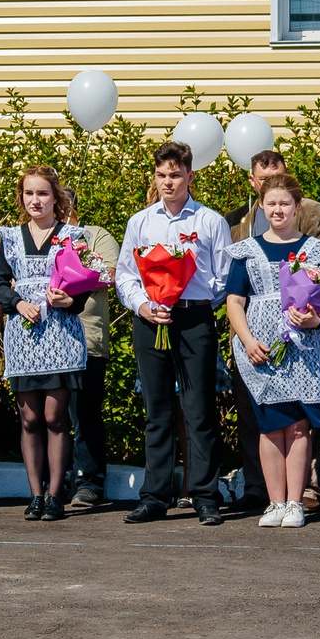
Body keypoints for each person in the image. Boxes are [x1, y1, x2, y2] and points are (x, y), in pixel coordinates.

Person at [116, 140, 233, 525]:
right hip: (150, 320)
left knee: (199, 410)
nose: (168, 182)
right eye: (161, 175)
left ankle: (205, 495)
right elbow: (125, 275)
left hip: (193, 320)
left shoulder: (210, 221)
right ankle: (155, 495)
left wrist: (190, 296)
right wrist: (144, 305)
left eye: (175, 175)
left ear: (190, 176)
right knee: (158, 410)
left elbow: (223, 277)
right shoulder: (140, 222)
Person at [225, 171, 320, 528]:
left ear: (296, 207)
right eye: (271, 203)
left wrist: (316, 320)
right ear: (262, 206)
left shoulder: (315, 250)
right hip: (260, 346)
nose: (278, 210)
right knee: (271, 426)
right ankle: (274, 502)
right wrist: (247, 341)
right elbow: (234, 301)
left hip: (304, 347)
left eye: (285, 203)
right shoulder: (246, 250)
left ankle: (295, 502)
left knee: (299, 427)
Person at [0, 165, 92, 521]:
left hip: (60, 334)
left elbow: (85, 285)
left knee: (55, 417)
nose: (35, 200)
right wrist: (17, 303)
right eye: (29, 193)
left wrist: (69, 300)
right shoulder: (10, 237)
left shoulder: (71, 235)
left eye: (43, 193)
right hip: (24, 333)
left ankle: (55, 494)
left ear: (55, 197)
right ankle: (35, 494)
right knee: (30, 418)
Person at [56, 179, 119, 513]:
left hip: (86, 338)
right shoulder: (44, 239)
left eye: (61, 204)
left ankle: (89, 480)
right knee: (52, 415)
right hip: (48, 340)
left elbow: (110, 275)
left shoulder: (96, 235)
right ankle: (57, 479)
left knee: (84, 413)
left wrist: (74, 272)